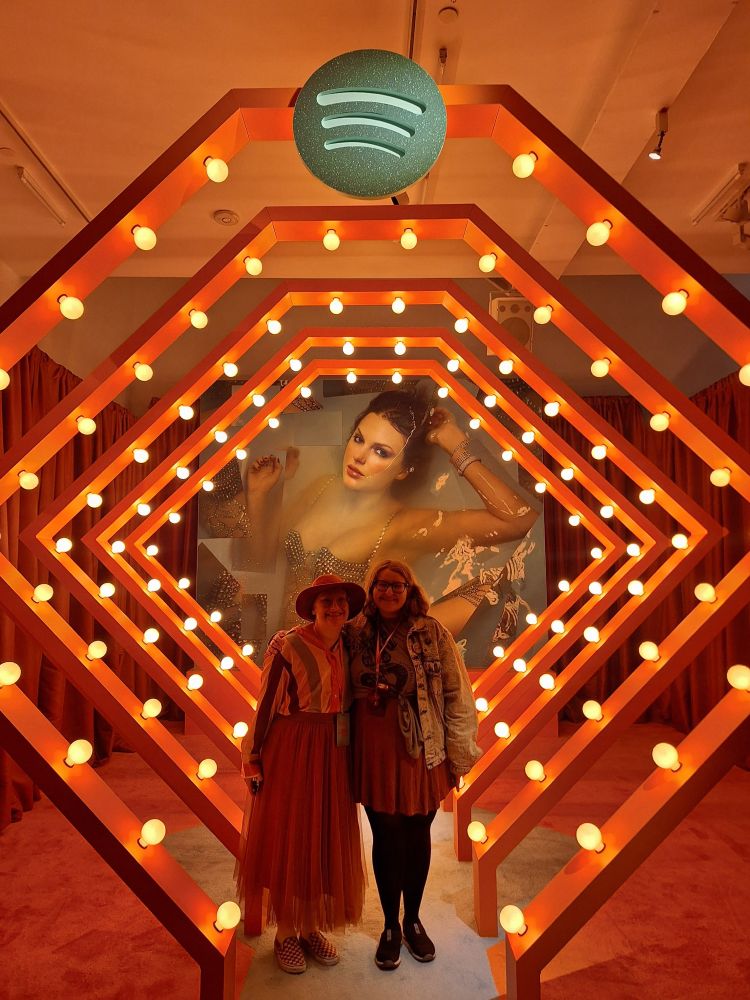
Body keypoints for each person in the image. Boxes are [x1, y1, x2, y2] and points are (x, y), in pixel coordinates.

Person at [203, 386, 539, 642]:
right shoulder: (323, 486)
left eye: (381, 451)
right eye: (359, 439)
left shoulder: (407, 524)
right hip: (280, 652)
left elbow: (518, 521)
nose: (359, 457)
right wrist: (260, 496)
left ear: (404, 470)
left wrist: (454, 443)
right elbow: (263, 563)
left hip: (340, 670)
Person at [347, 558, 481, 970]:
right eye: (381, 586)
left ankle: (414, 920)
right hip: (372, 748)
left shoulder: (432, 631)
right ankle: (390, 925)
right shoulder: (355, 633)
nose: (388, 592)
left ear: (410, 591)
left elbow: (458, 694)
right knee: (385, 834)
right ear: (371, 592)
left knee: (416, 830)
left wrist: (459, 755)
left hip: (422, 744)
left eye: (397, 585)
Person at [236, 573, 366, 975]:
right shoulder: (288, 645)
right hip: (293, 746)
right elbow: (266, 705)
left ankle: (311, 928)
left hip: (334, 749)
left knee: (324, 836)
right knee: (293, 835)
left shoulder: (350, 644)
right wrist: (253, 756)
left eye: (341, 601)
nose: (335, 608)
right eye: (327, 601)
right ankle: (286, 932)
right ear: (312, 607)